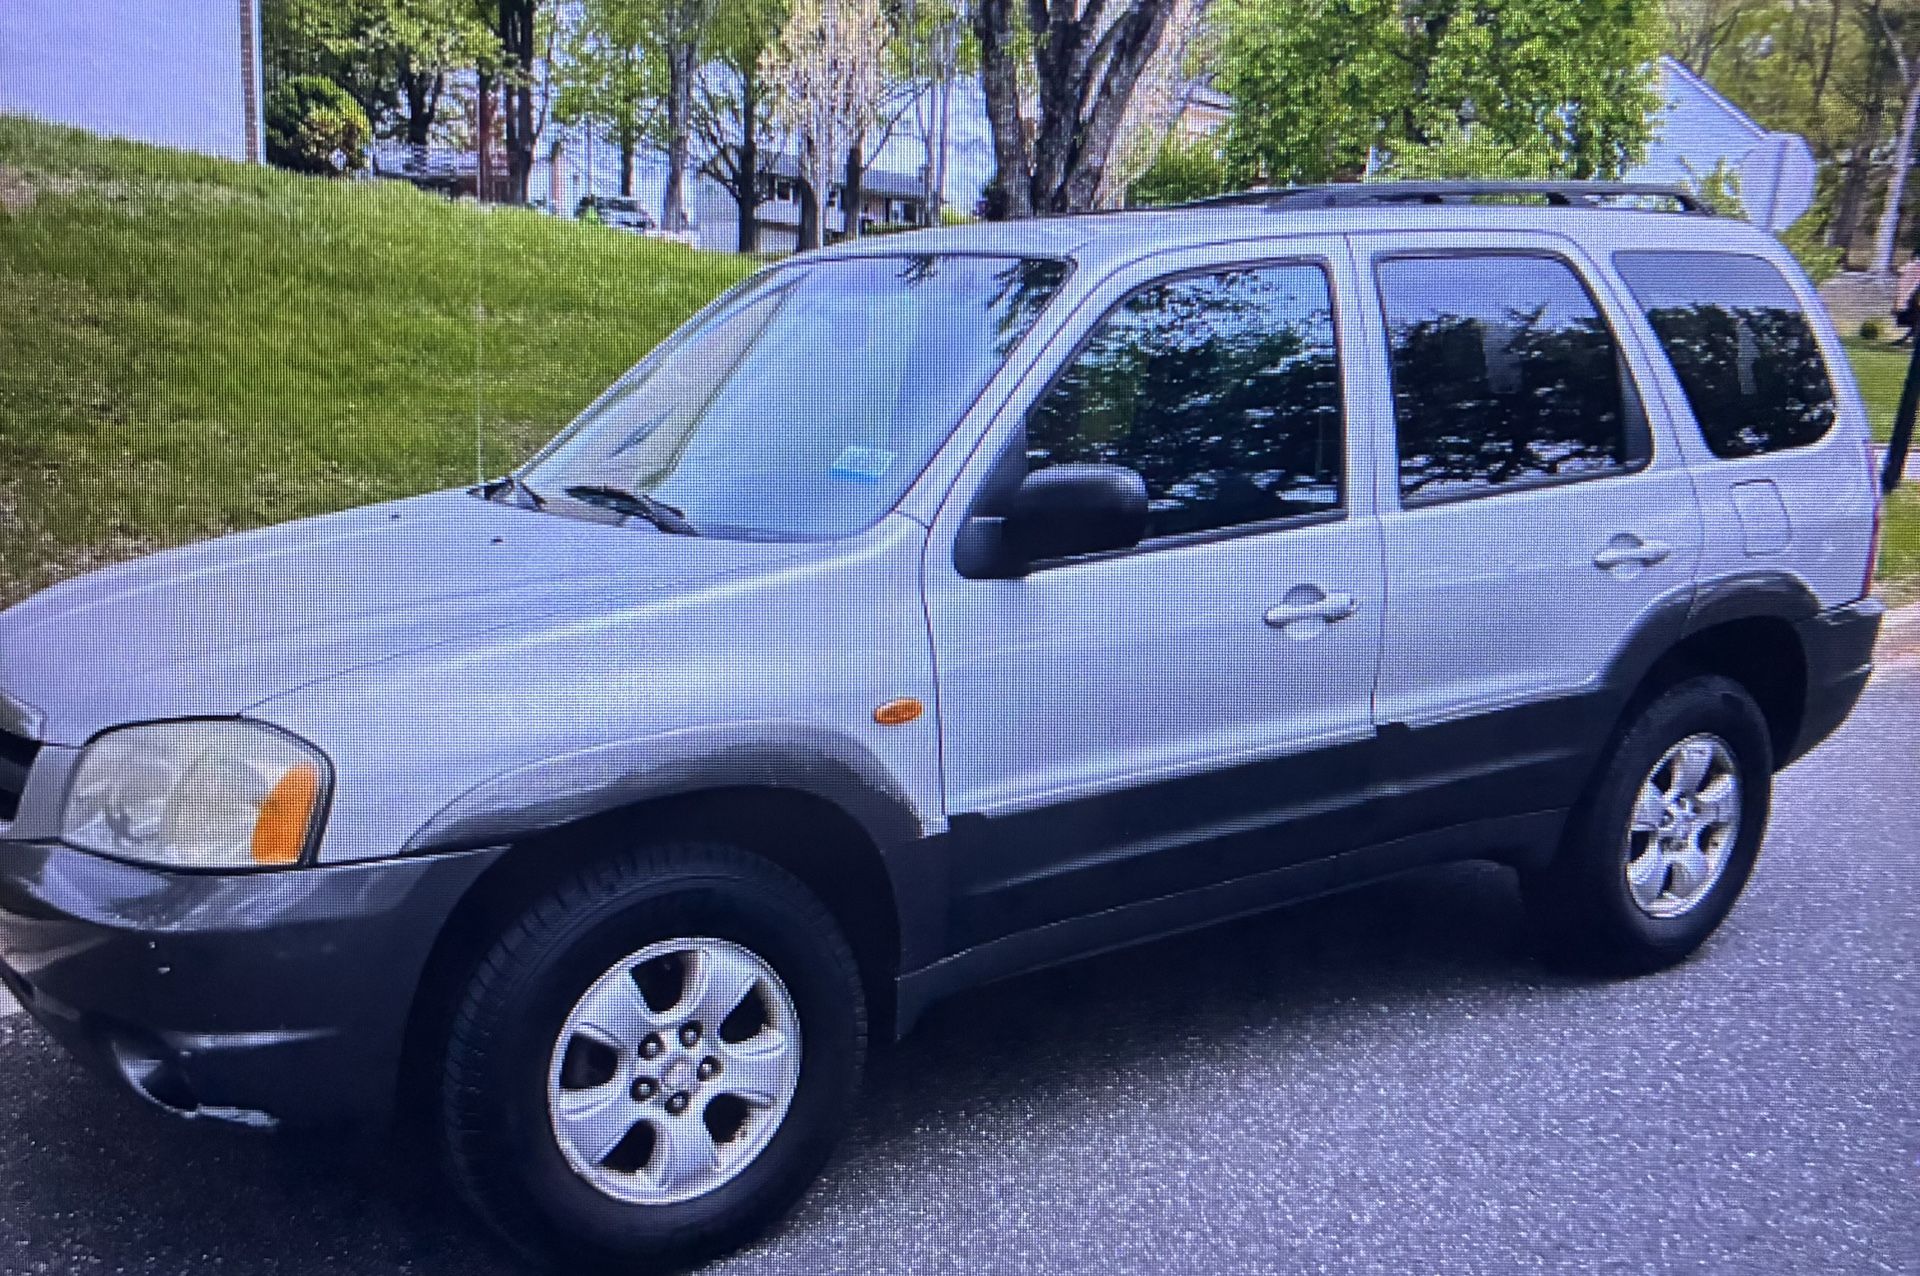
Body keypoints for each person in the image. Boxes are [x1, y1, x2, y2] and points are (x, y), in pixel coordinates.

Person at [1894, 251, 1920, 345]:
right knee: (1916, 321)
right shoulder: (1914, 266)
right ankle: (1906, 340)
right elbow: (1900, 271)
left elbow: (1900, 271)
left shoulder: (1913, 266)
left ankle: (1905, 340)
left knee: (1916, 321)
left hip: (1911, 299)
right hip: (1912, 299)